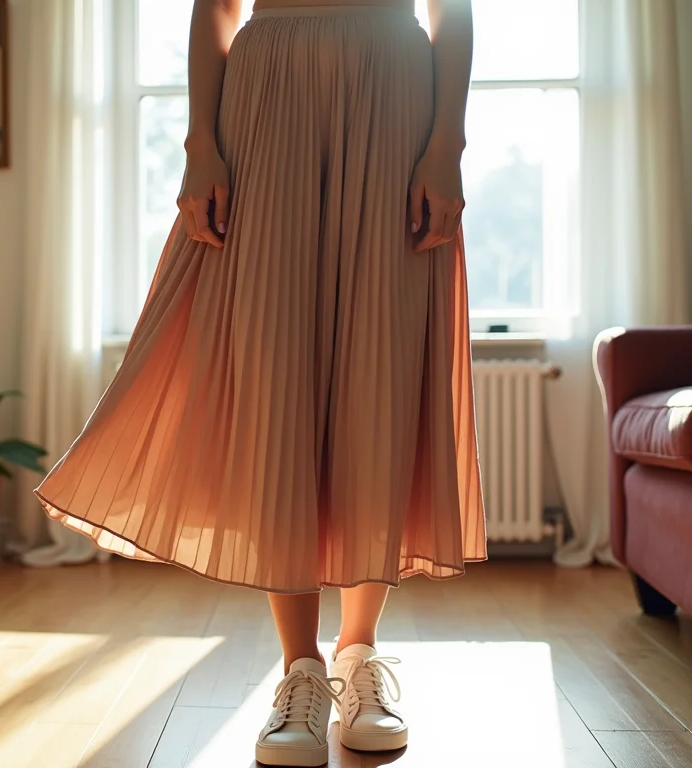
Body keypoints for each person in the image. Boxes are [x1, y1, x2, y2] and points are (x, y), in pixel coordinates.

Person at [33, 0, 484, 764]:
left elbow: (454, 9)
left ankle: (359, 654)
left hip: (396, 96)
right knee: (278, 374)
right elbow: (215, 8)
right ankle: (300, 668)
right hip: (267, 98)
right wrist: (200, 146)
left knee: (380, 370)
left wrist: (448, 145)